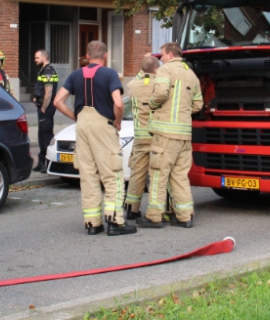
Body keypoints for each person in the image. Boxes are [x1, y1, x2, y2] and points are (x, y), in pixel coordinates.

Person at [54, 41, 136, 236]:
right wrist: (117, 122)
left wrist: (77, 117)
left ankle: (92, 223)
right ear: (105, 56)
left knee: (88, 175)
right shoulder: (109, 74)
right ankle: (115, 222)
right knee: (112, 173)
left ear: (87, 56)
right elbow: (118, 103)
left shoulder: (75, 74)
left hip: (82, 126)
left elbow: (58, 101)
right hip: (103, 126)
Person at [141, 42, 202, 229]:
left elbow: (160, 93)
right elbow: (198, 104)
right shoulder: (192, 75)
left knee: (159, 174)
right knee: (180, 176)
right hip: (184, 134)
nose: (160, 58)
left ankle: (154, 216)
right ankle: (185, 217)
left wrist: (151, 104)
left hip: (166, 133)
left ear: (168, 54)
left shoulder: (165, 70)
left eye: (162, 55)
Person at [123, 54, 160, 220]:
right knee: (156, 175)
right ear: (156, 69)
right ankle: (156, 211)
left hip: (139, 137)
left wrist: (145, 65)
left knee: (137, 173)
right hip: (156, 136)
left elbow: (143, 73)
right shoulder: (159, 85)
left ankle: (132, 208)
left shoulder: (133, 85)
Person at [31, 49, 58, 173]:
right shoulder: (43, 70)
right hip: (43, 107)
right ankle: (41, 162)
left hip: (46, 108)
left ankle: (48, 163)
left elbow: (48, 91)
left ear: (44, 58)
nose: (35, 60)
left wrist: (43, 108)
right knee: (41, 135)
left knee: (46, 135)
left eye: (37, 58)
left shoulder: (48, 71)